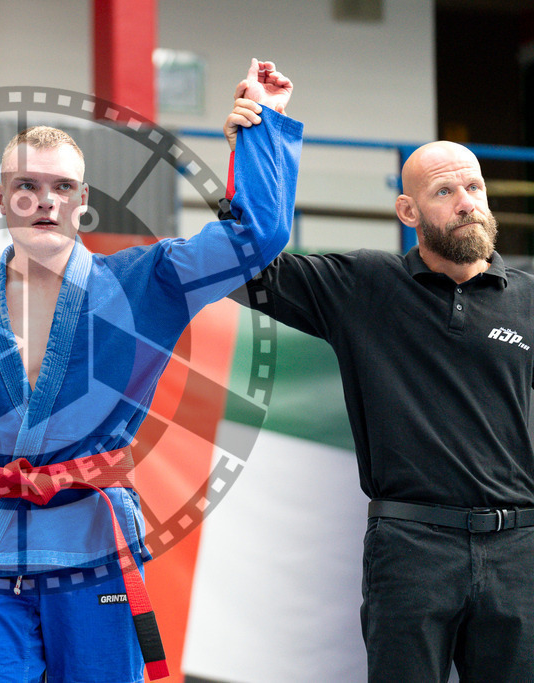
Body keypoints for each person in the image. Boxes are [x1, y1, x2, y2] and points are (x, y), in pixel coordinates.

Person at [0, 58, 301, 682]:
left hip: (95, 549)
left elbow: (256, 237)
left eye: (61, 188)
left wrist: (262, 130)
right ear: (0, 198)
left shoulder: (143, 283)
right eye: (26, 186)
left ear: (81, 201)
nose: (44, 201)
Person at [226, 130, 534, 678]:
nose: (466, 202)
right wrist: (260, 142)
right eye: (444, 192)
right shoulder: (367, 284)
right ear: (407, 211)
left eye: (474, 187)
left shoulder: (529, 300)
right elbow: (245, 267)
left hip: (520, 551)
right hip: (412, 548)